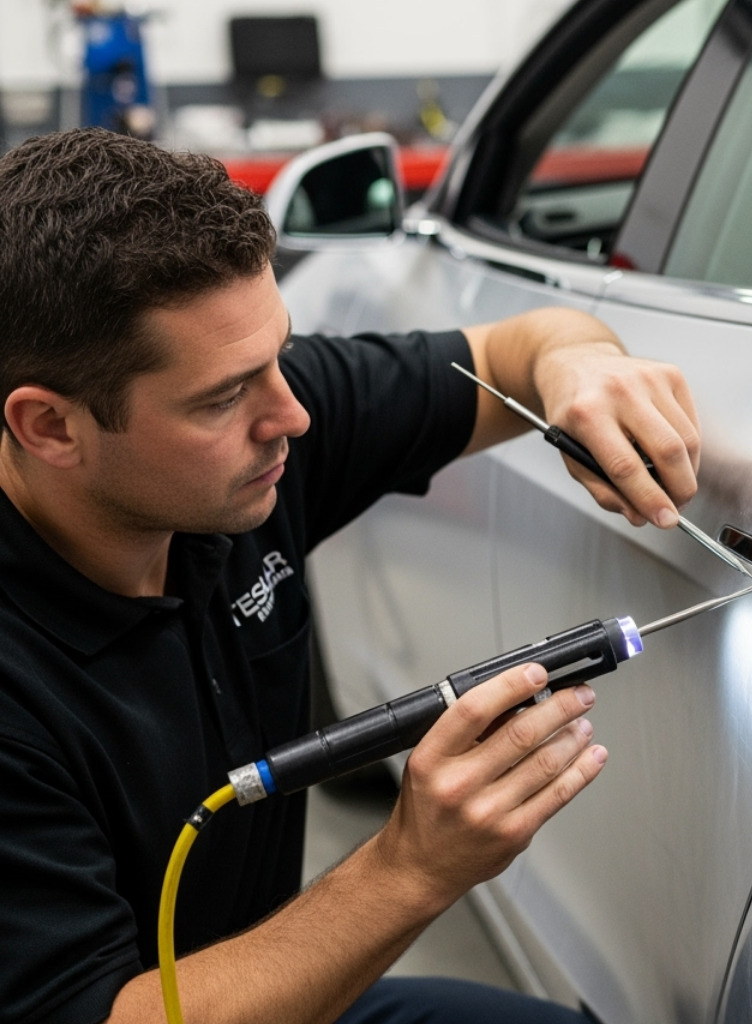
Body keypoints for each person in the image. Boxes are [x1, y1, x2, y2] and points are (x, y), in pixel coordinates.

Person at [0, 128, 702, 1024]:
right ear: (50, 428)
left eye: (280, 358)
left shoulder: (254, 426)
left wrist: (581, 366)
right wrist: (410, 867)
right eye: (223, 398)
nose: (291, 415)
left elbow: (519, 347)